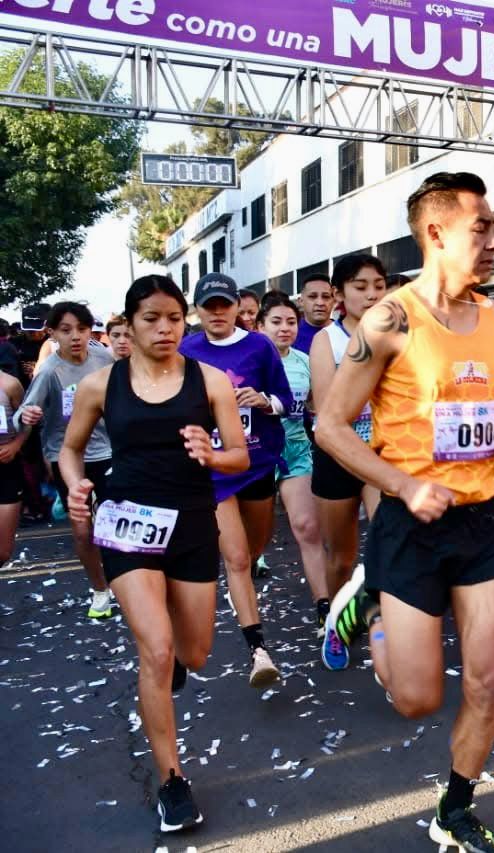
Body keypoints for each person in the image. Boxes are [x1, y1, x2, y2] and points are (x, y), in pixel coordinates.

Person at [320, 171, 494, 852]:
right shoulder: (389, 321)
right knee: (415, 697)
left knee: (490, 675)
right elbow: (330, 426)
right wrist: (404, 485)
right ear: (436, 233)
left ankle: (456, 809)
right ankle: (369, 603)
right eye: (483, 227)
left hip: (480, 519)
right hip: (410, 524)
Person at [59, 274, 250, 833]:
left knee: (194, 653)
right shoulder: (101, 385)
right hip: (127, 526)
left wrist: (213, 457)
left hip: (192, 525)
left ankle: (166, 651)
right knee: (158, 650)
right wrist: (75, 485)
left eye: (173, 318)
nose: (165, 329)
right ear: (129, 324)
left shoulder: (209, 380)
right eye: (151, 319)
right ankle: (172, 781)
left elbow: (238, 454)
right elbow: (71, 451)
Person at [180, 273, 293, 687]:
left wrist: (264, 401)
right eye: (208, 306)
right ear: (197, 311)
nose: (217, 313)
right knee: (238, 559)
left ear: (235, 307)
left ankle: (239, 582)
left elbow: (287, 399)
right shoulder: (185, 349)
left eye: (223, 305)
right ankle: (258, 650)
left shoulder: (259, 345)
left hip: (256, 463)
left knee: (254, 545)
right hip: (213, 470)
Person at [310, 253, 386, 670]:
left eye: (378, 285)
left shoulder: (399, 335)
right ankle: (338, 619)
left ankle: (383, 621)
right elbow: (327, 410)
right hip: (337, 456)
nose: (371, 294)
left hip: (383, 456)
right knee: (340, 556)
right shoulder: (328, 341)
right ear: (340, 295)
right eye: (360, 287)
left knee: (385, 542)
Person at [16, 301, 115, 618]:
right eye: (66, 330)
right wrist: (27, 414)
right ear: (52, 334)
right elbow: (22, 413)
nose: (76, 337)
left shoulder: (103, 356)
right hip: (66, 457)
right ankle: (100, 591)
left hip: (108, 451)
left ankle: (128, 583)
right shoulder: (48, 371)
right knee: (84, 530)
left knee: (115, 523)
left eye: (82, 329)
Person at [256, 291, 329, 629]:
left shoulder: (304, 361)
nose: (285, 328)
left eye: (290, 322)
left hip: (297, 450)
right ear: (260, 325)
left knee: (307, 527)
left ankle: (324, 606)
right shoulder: (249, 360)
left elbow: (316, 404)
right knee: (255, 534)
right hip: (255, 453)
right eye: (276, 322)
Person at [0, 367, 28, 565]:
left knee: (3, 551)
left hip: (6, 468)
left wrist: (16, 444)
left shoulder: (10, 384)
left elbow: (26, 422)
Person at [293, 273, 335, 355]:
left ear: (334, 301)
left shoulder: (345, 332)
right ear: (301, 301)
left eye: (326, 297)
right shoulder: (289, 333)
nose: (320, 303)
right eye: (312, 296)